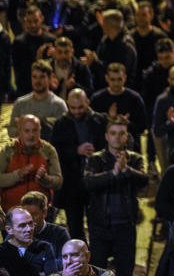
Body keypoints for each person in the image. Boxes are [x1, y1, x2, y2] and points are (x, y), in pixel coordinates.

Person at [82, 116, 147, 276]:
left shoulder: (135, 159)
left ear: (127, 136)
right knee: (96, 270)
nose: (117, 137)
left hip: (126, 225)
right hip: (100, 226)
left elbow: (144, 181)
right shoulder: (96, 159)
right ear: (106, 136)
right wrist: (114, 173)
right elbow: (89, 183)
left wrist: (127, 170)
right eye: (113, 133)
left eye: (121, 133)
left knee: (125, 270)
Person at [50, 88, 107, 240]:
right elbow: (55, 152)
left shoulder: (100, 121)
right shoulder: (61, 124)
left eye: (80, 107)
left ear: (87, 102)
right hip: (72, 183)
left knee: (98, 222)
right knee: (75, 225)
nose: (76, 111)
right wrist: (76, 150)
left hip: (96, 180)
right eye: (72, 108)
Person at [0, 114, 63, 211]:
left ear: (40, 130)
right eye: (27, 131)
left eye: (35, 130)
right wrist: (17, 175)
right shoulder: (8, 150)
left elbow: (58, 181)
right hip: (12, 210)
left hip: (40, 212)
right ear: (19, 131)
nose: (31, 135)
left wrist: (45, 179)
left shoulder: (48, 150)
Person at [7, 60, 68, 137]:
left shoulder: (58, 104)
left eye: (42, 77)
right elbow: (11, 131)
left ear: (50, 78)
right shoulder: (20, 103)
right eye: (34, 77)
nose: (37, 81)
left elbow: (65, 133)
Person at [0, 206, 56, 276]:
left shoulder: (44, 247)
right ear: (9, 230)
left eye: (30, 223)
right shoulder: (1, 251)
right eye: (22, 225)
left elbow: (52, 274)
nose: (29, 229)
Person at [21, 190, 69, 256]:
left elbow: (64, 262)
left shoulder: (60, 233)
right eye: (26, 214)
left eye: (34, 214)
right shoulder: (16, 233)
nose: (29, 219)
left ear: (44, 213)